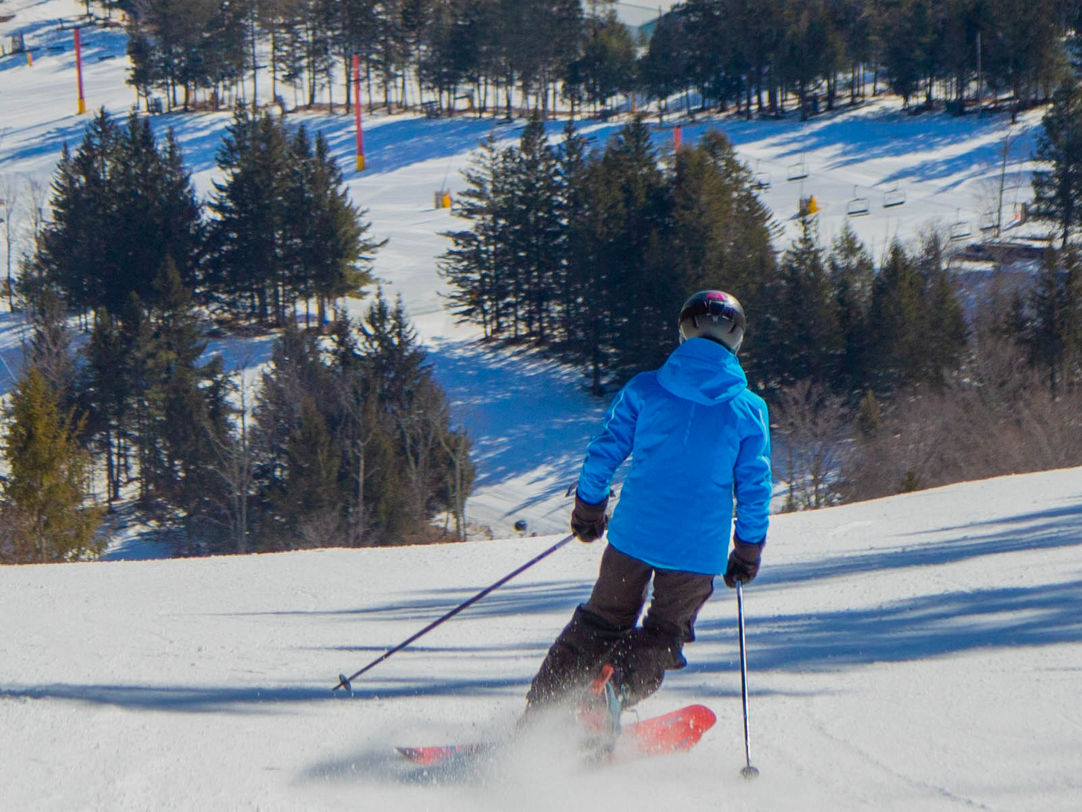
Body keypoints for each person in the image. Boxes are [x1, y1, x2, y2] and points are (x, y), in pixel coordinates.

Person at [524, 290, 772, 722]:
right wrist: (747, 550)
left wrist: (589, 509)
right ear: (737, 341)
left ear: (682, 333)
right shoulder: (749, 410)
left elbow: (604, 452)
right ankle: (609, 700)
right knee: (662, 636)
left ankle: (541, 715)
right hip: (696, 554)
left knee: (599, 623)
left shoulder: (646, 389)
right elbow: (755, 487)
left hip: (634, 536)